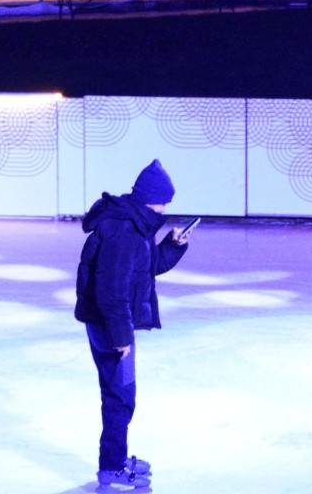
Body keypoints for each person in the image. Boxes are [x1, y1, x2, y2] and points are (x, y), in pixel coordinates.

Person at [75, 159, 192, 491]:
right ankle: (111, 467)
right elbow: (111, 290)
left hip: (109, 324)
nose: (166, 208)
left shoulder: (132, 224)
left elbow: (145, 269)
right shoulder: (124, 231)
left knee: (120, 395)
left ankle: (116, 457)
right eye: (164, 201)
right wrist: (122, 337)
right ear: (149, 199)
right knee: (120, 396)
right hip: (110, 327)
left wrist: (172, 245)